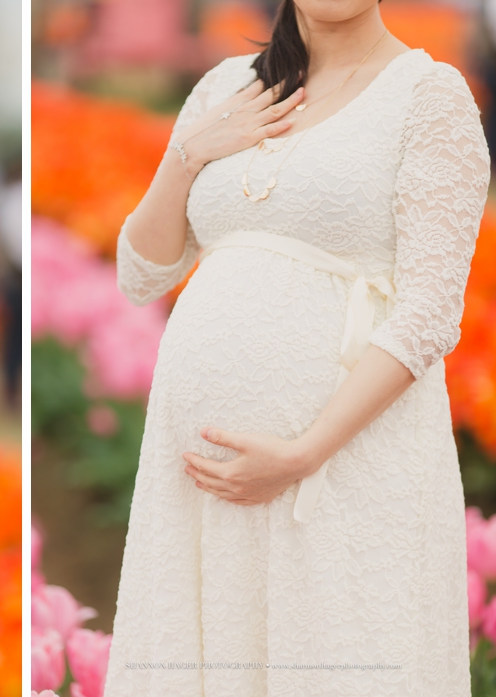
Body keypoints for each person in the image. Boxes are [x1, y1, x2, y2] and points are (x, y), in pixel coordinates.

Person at [102, 0, 489, 694]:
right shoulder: (226, 87)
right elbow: (140, 272)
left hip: (342, 470)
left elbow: (429, 314)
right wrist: (192, 152)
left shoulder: (429, 96)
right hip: (200, 487)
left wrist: (302, 452)